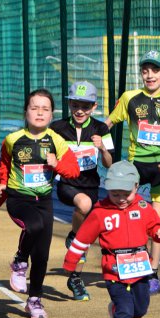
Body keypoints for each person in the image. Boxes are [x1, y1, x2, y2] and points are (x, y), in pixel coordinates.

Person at [0, 89, 80, 318]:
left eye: (45, 109)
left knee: (42, 256)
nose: (39, 113)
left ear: (52, 115)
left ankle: (34, 300)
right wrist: (2, 182)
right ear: (26, 112)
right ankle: (20, 261)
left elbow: (73, 171)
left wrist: (56, 165)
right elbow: (4, 164)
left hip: (44, 201)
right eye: (34, 108)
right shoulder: (13, 140)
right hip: (18, 199)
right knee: (33, 226)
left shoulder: (57, 141)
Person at [63, 160, 160, 318]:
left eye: (126, 194)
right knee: (124, 307)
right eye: (115, 194)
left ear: (136, 188)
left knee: (139, 309)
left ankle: (115, 312)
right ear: (108, 190)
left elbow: (156, 226)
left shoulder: (143, 207)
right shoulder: (100, 212)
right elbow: (82, 238)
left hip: (140, 268)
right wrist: (71, 263)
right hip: (114, 269)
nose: (121, 199)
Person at [105, 49, 160, 295]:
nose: (150, 75)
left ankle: (153, 272)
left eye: (155, 70)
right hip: (134, 168)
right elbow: (106, 125)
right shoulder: (130, 98)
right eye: (145, 70)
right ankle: (126, 263)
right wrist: (103, 148)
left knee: (157, 224)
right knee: (129, 218)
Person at [50, 81, 113, 301]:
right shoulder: (57, 128)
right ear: (69, 104)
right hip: (67, 184)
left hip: (91, 185)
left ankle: (75, 278)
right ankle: (75, 237)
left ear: (94, 107)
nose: (79, 110)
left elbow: (109, 163)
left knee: (86, 237)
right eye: (75, 104)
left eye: (85, 106)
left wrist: (102, 148)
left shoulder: (100, 129)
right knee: (84, 207)